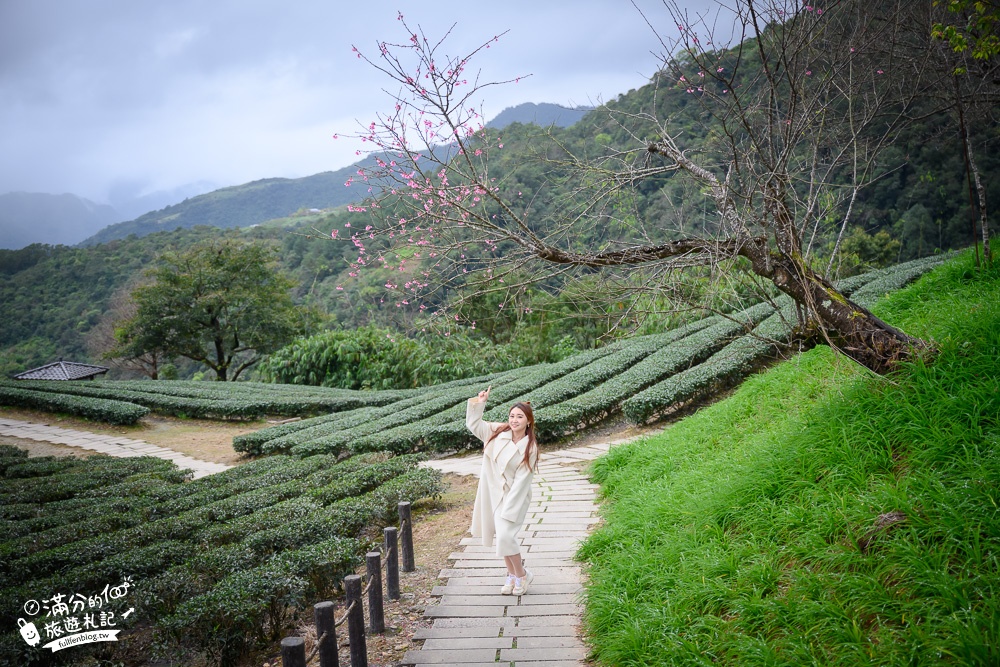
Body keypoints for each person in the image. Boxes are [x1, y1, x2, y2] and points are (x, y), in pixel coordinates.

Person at [466, 385, 539, 595]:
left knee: (507, 535)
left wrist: (509, 508)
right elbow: (474, 424)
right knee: (502, 537)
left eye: (519, 417)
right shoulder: (498, 431)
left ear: (528, 421)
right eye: (512, 416)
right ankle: (512, 575)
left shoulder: (530, 447)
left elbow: (522, 481)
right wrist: (480, 403)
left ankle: (523, 576)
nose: (514, 420)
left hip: (514, 497)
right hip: (493, 494)